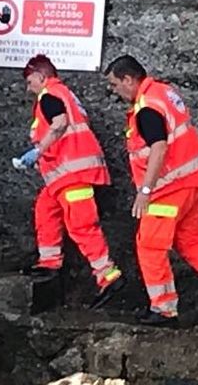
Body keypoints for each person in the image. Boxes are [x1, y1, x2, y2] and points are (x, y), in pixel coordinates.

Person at [103, 55, 198, 326]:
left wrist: (145, 190)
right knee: (191, 241)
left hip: (169, 189)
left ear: (129, 79)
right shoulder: (164, 92)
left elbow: (159, 148)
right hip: (196, 179)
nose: (114, 92)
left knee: (150, 245)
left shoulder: (147, 108)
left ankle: (163, 309)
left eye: (115, 85)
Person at [14, 54, 123, 308]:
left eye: (30, 81)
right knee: (45, 209)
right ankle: (49, 264)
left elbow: (60, 124)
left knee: (82, 226)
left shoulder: (49, 96)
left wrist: (38, 150)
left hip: (72, 173)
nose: (28, 88)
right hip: (65, 176)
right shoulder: (66, 95)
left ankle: (108, 276)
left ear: (41, 77)